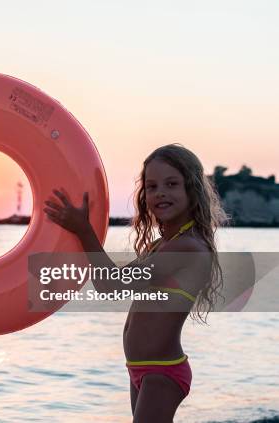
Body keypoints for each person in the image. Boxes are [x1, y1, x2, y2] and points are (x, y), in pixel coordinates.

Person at [43, 144, 227, 422]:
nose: (160, 192)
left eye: (172, 184)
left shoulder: (187, 248)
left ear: (192, 189)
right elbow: (108, 284)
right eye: (151, 186)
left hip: (162, 371)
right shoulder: (163, 245)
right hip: (140, 368)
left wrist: (84, 230)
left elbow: (113, 285)